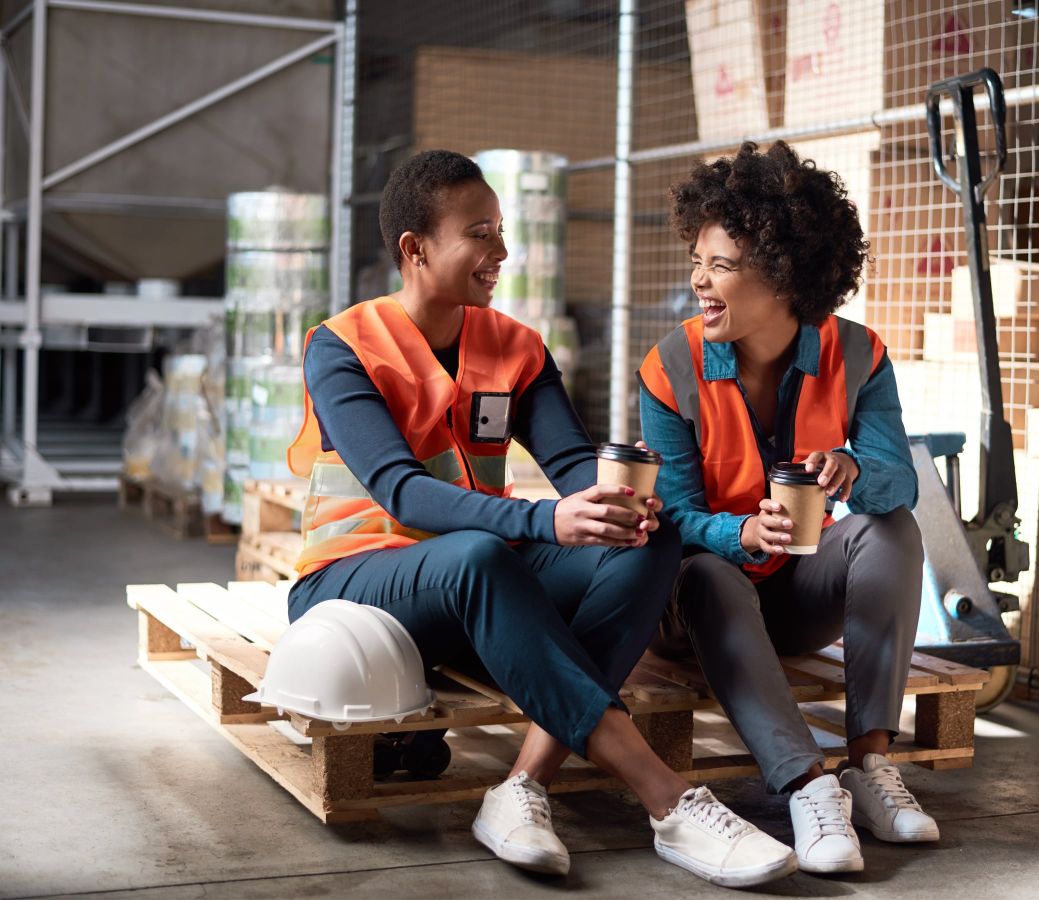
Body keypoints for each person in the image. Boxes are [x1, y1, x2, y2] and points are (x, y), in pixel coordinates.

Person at [285, 149, 797, 888]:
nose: (501, 251)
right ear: (415, 249)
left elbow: (573, 465)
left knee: (646, 541)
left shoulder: (514, 347)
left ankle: (521, 788)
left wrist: (620, 504)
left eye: (500, 230)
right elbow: (402, 492)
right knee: (482, 554)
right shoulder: (343, 347)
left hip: (475, 589)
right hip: (352, 589)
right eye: (479, 234)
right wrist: (546, 522)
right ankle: (669, 800)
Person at [638, 141, 936, 876]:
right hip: (695, 609)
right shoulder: (670, 367)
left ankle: (869, 766)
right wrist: (738, 531)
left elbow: (900, 483)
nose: (698, 281)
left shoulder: (859, 355)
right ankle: (808, 786)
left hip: (795, 602)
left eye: (720, 265)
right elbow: (673, 516)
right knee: (707, 571)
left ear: (782, 272)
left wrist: (856, 470)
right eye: (697, 261)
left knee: (889, 530)